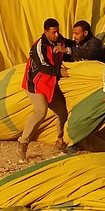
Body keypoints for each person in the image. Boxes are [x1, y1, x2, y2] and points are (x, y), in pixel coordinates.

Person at [19, 18, 69, 160]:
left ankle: (60, 141)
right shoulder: (38, 46)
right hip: (35, 84)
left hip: (50, 85)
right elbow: (42, 66)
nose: (57, 35)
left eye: (58, 31)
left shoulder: (60, 41)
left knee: (62, 111)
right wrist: (60, 71)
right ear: (45, 32)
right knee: (41, 111)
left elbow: (71, 48)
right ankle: (23, 142)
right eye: (54, 32)